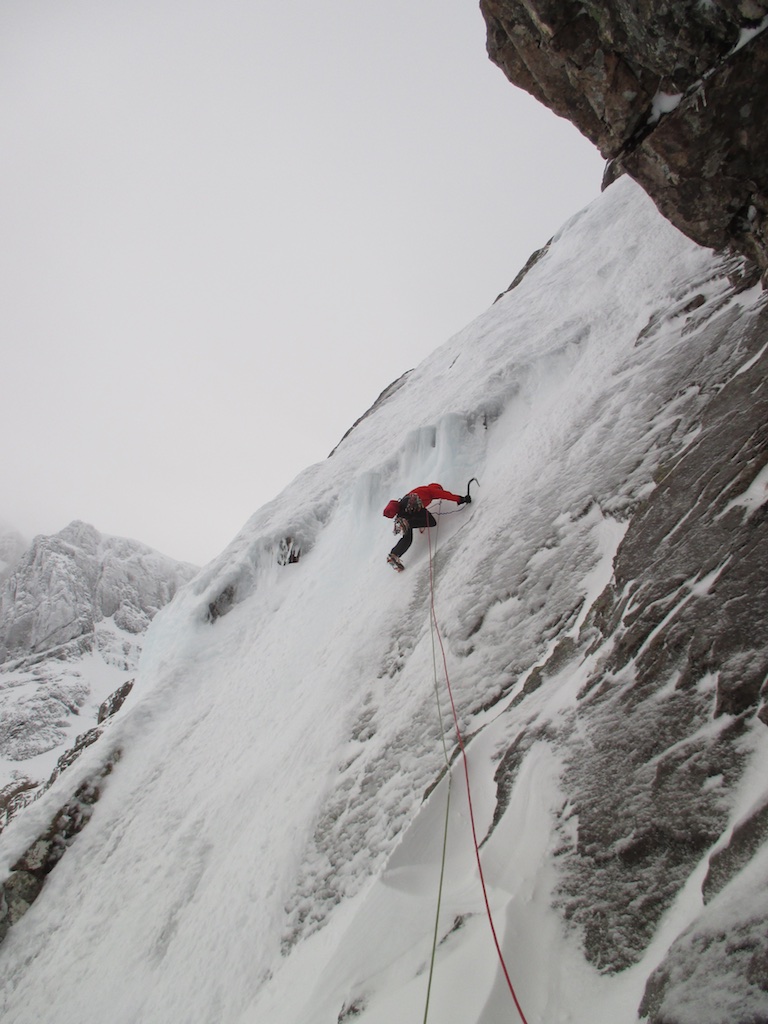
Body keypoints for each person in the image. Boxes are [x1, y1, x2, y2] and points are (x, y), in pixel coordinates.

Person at [385, 482, 470, 571]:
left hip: (403, 512)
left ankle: (394, 554)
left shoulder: (419, 490)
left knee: (407, 539)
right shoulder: (431, 490)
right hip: (414, 504)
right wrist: (461, 499)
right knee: (431, 522)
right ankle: (408, 523)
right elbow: (446, 495)